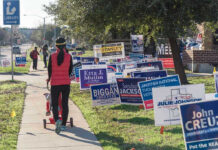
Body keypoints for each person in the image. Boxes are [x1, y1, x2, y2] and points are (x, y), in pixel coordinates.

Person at [47, 37, 73, 134]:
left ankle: (57, 119)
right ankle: (63, 125)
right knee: (64, 103)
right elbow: (70, 71)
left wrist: (49, 78)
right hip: (66, 83)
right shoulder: (69, 56)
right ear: (65, 45)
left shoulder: (52, 56)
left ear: (56, 46)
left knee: (54, 103)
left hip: (55, 83)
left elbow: (49, 70)